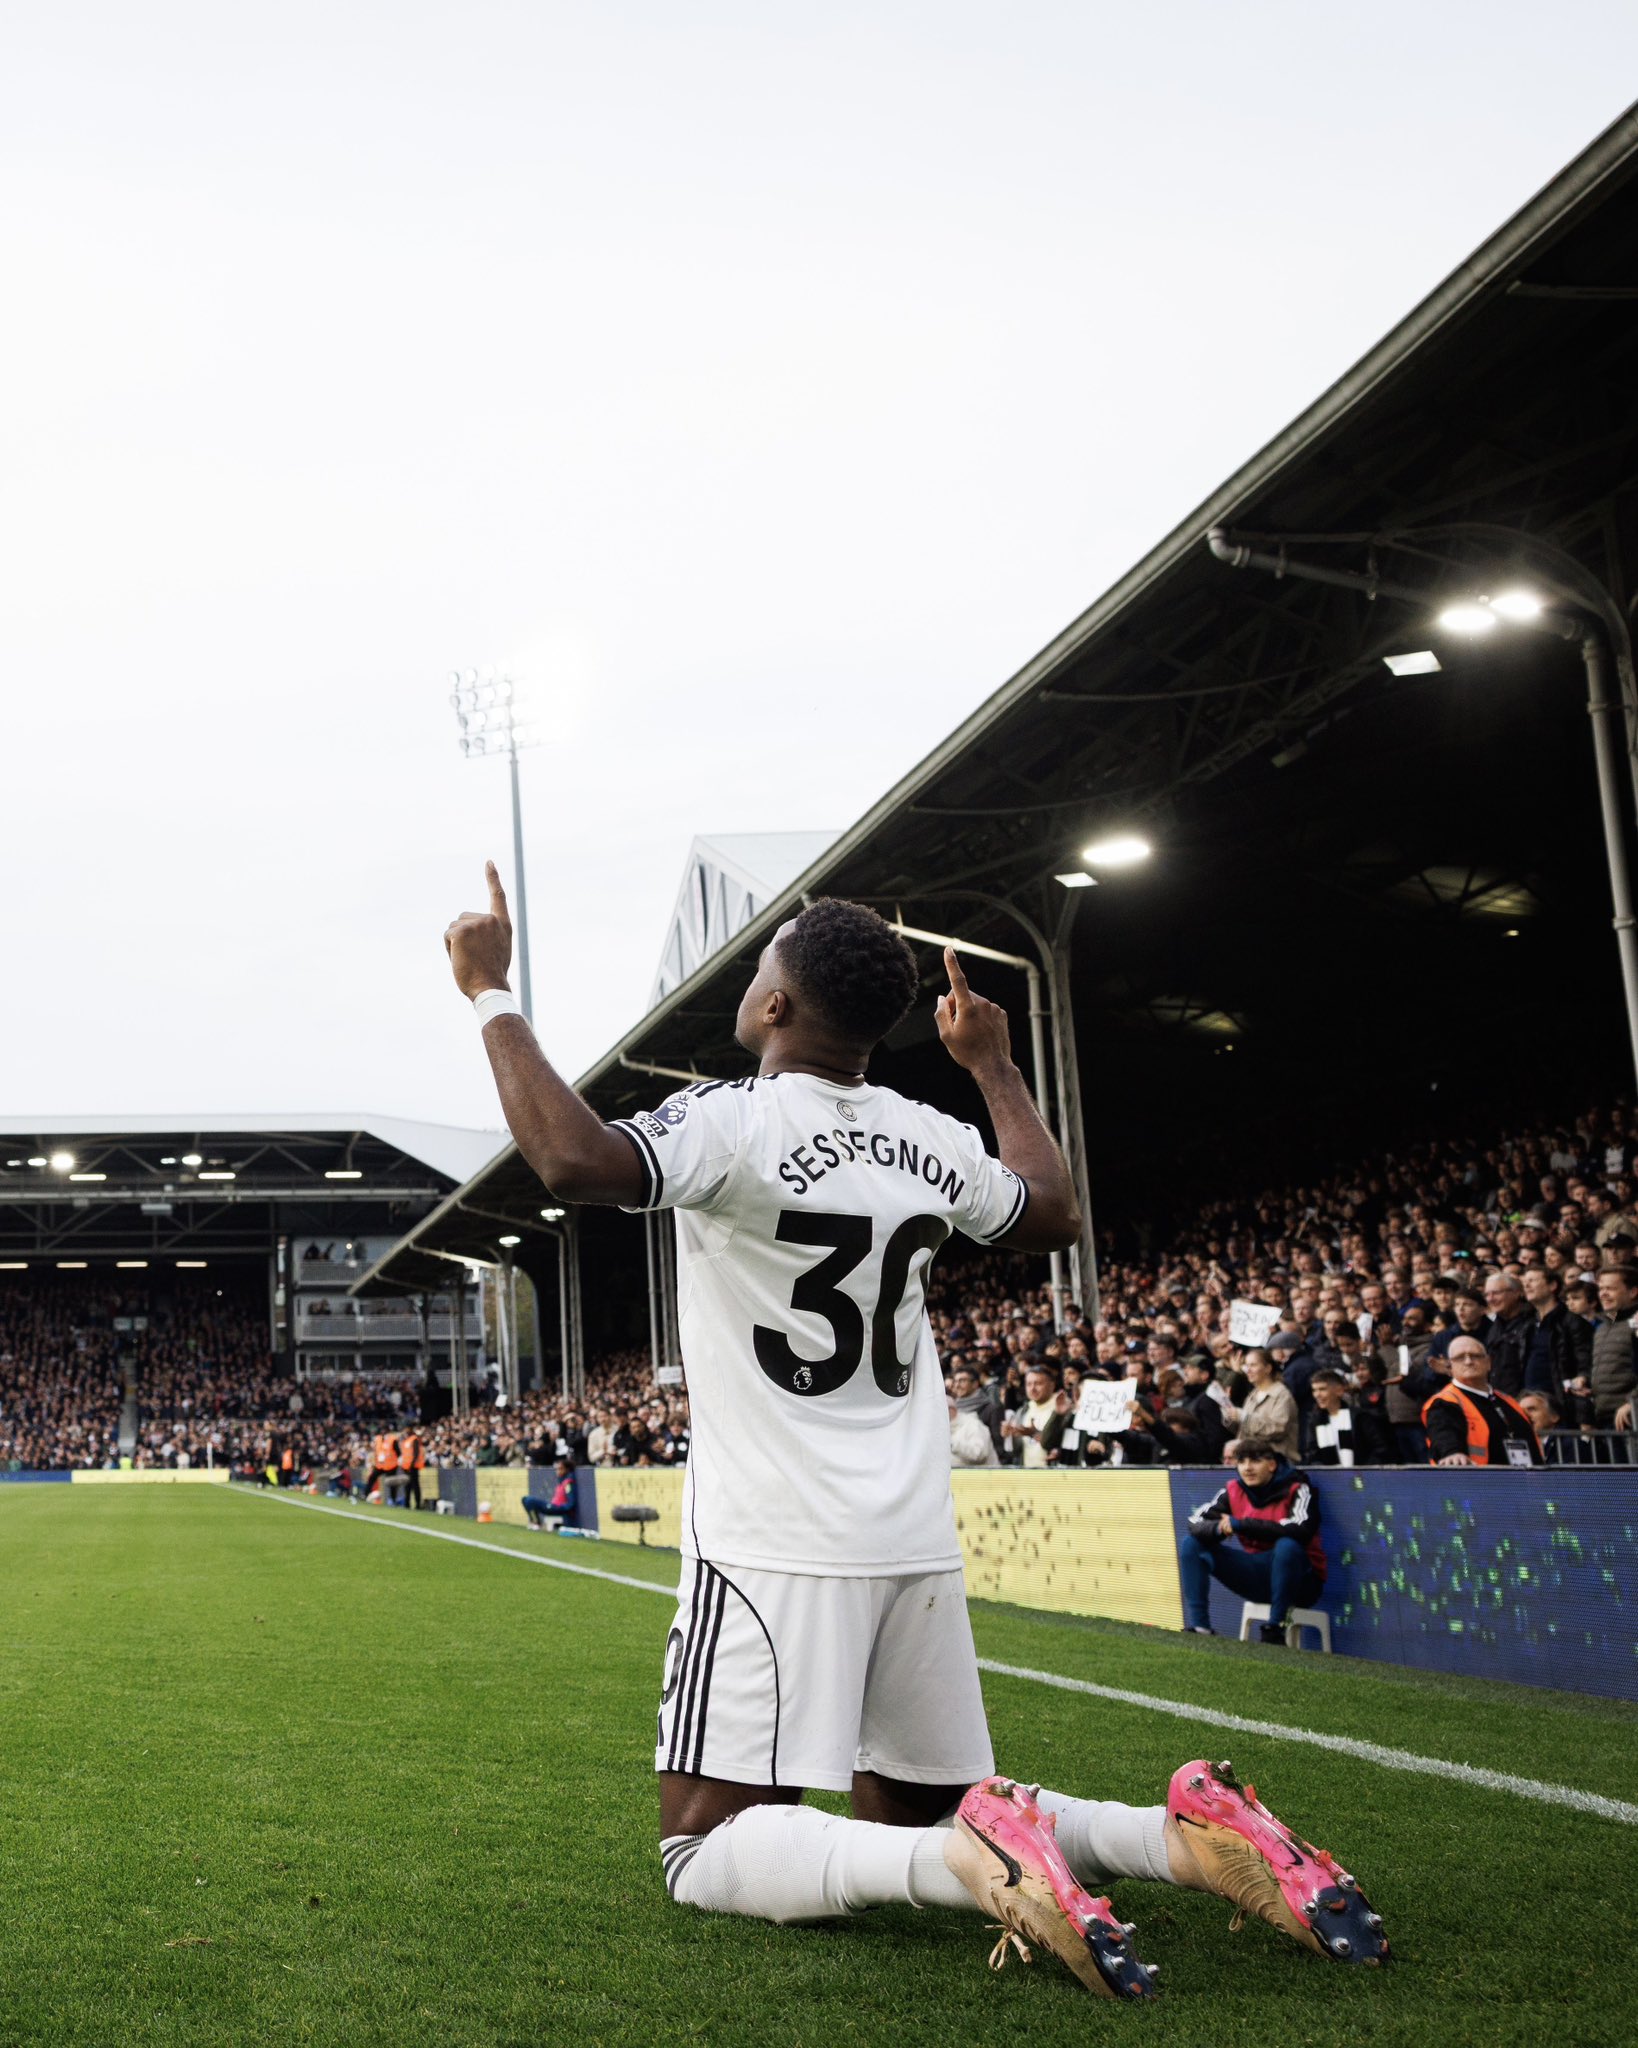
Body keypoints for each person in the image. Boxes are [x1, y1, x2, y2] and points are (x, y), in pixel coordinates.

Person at [444, 868, 1386, 1993]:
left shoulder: (731, 1120)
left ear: (779, 1007)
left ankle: (973, 1866)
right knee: (921, 1797)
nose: (750, 982)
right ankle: (1168, 1836)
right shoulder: (925, 1135)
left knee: (703, 1846)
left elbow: (572, 1159)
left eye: (762, 968)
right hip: (910, 1534)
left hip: (770, 1537)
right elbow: (1051, 1211)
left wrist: (491, 992)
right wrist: (989, 1061)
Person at [1179, 1441, 1326, 1644]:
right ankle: (1200, 1627)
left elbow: (1301, 1530)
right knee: (1192, 1544)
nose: (1247, 1468)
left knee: (1287, 1546)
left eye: (1255, 1461)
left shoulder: (1298, 1488)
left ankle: (1275, 1629)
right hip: (1258, 1575)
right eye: (1242, 1461)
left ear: (1272, 1465)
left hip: (1302, 1582)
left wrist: (1241, 1524)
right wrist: (1220, 1528)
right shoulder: (1233, 1490)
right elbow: (1195, 1522)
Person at [1422, 1336, 1543, 1467]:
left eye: (1475, 1356)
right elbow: (1443, 1431)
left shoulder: (1509, 1401)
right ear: (1450, 1367)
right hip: (1477, 1483)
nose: (1468, 1361)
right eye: (1460, 1357)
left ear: (1488, 1362)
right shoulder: (1444, 1402)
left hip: (1524, 1482)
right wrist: (1452, 1453)